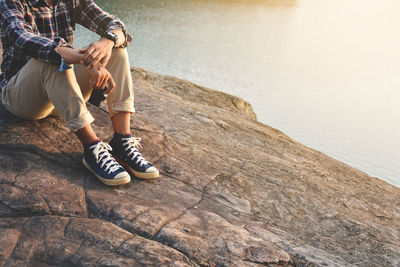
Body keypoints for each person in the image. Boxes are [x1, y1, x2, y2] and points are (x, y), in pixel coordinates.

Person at [0, 0, 159, 186]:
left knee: (116, 50)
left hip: (62, 94)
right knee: (52, 58)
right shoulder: (11, 2)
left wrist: (107, 42)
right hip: (24, 99)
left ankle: (122, 141)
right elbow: (22, 37)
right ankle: (92, 148)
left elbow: (117, 27)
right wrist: (89, 61)